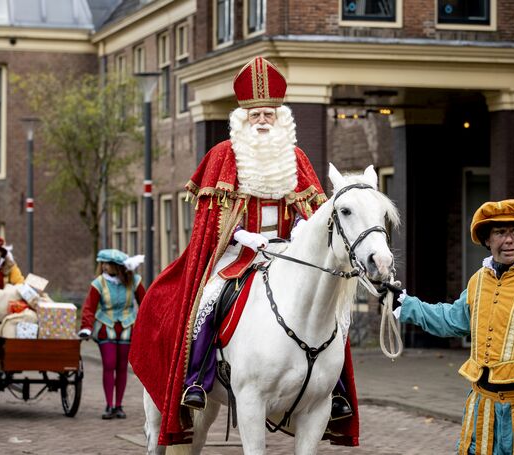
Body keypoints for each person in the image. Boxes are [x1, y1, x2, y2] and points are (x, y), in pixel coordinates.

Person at [130, 56, 359, 447]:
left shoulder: (296, 158)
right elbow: (212, 217)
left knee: (327, 310)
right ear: (243, 117)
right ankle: (196, 380)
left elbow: (314, 213)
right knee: (207, 300)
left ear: (281, 115)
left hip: (289, 255)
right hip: (236, 255)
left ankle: (332, 388)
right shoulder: (224, 156)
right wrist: (243, 236)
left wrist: (302, 227)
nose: (263, 120)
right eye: (256, 114)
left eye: (270, 112)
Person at [388, 199, 514, 454]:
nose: (509, 240)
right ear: (487, 239)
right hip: (483, 413)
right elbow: (452, 320)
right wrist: (406, 305)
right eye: (500, 232)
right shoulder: (478, 281)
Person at [79, 249, 145, 420]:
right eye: (103, 263)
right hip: (105, 328)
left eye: (107, 264)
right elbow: (89, 307)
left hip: (127, 328)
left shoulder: (134, 282)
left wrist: (148, 326)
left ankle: (119, 405)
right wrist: (86, 326)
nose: (104, 267)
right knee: (109, 365)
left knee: (122, 367)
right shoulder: (98, 283)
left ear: (117, 266)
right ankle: (109, 404)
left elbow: (145, 304)